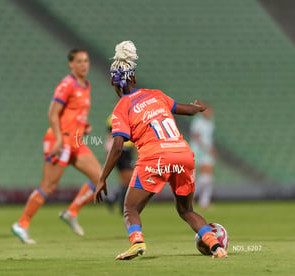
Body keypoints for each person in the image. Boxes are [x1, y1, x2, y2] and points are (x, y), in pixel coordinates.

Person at [94, 41, 227, 260]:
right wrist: (198, 107)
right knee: (186, 210)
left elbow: (117, 146)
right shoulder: (156, 95)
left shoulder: (121, 109)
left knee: (130, 208)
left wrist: (102, 178)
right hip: (183, 154)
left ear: (112, 82)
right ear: (134, 79)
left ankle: (137, 242)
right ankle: (216, 247)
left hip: (155, 157)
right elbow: (187, 109)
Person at [11, 49, 102, 244]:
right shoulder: (67, 84)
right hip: (59, 141)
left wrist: (84, 127)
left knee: (99, 177)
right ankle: (22, 223)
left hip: (75, 142)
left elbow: (73, 115)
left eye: (86, 61)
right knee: (49, 186)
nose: (83, 64)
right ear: (71, 64)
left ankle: (71, 212)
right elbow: (52, 113)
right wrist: (60, 139)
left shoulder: (86, 86)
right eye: (79, 61)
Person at [104, 115, 135, 214]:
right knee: (128, 180)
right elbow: (110, 136)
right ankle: (121, 205)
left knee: (126, 180)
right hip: (121, 150)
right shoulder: (115, 117)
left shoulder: (113, 118)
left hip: (125, 150)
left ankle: (113, 199)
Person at [190, 106, 216, 209]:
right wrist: (207, 148)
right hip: (199, 150)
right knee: (203, 176)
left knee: (207, 176)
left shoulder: (210, 122)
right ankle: (192, 199)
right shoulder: (198, 122)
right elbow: (196, 137)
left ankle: (204, 201)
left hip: (206, 151)